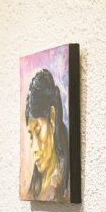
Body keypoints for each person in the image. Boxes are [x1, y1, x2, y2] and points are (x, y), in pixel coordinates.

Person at [24, 68, 70, 201]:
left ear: (52, 118)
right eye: (31, 136)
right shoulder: (35, 188)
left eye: (38, 131)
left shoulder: (63, 185)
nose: (35, 148)